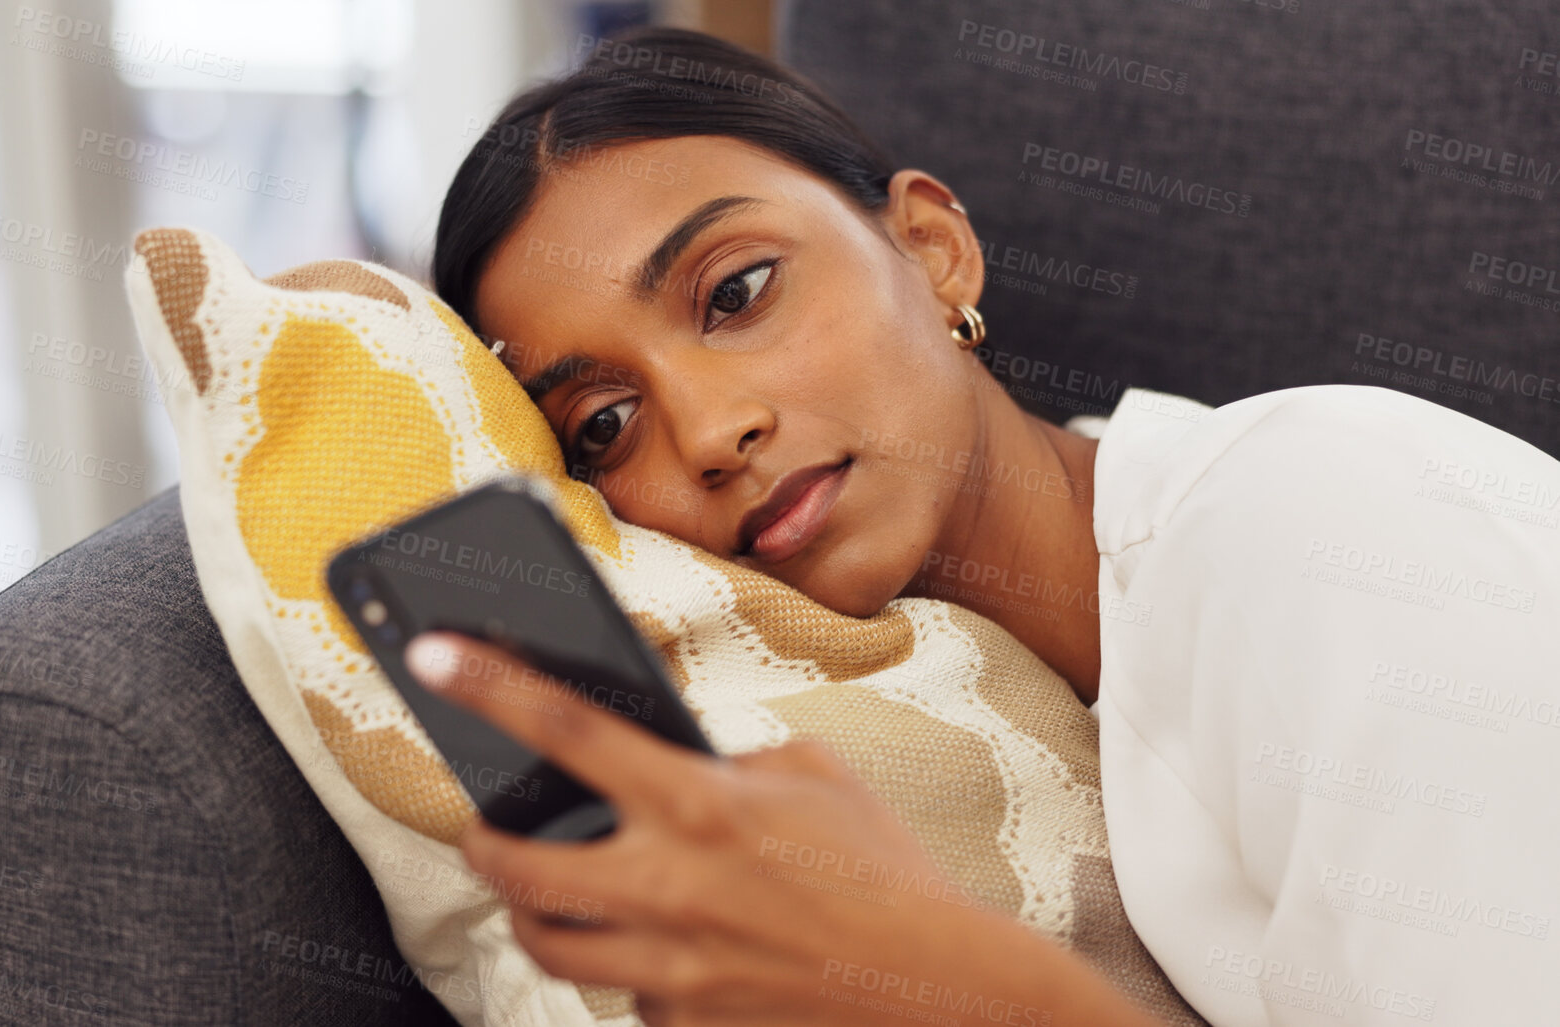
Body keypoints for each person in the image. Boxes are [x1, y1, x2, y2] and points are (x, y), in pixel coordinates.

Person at [415, 25, 1560, 1027]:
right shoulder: (1044, 704)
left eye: (736, 291)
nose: (710, 432)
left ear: (931, 247)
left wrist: (960, 985)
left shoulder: (1307, 524)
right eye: (606, 422)